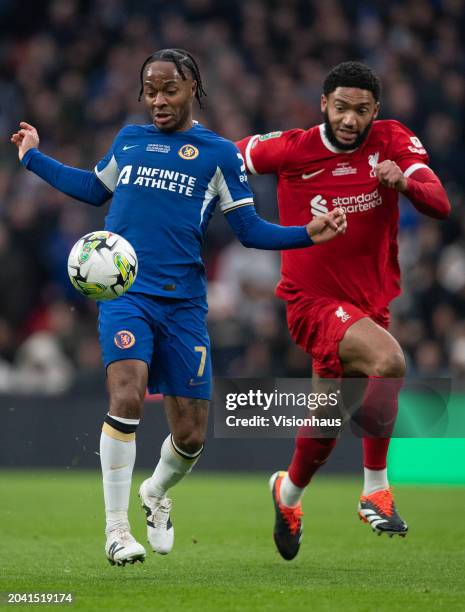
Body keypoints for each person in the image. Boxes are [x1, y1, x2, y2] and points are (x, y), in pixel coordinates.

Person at [11, 48, 346, 566]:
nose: (158, 100)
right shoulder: (130, 139)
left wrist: (308, 233)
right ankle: (117, 530)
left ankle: (155, 493)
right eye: (150, 90)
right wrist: (33, 156)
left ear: (194, 88)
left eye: (169, 89)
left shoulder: (218, 154)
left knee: (189, 435)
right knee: (126, 394)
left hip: (185, 305)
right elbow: (92, 188)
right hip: (127, 295)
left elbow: (249, 230)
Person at [236, 61, 451, 560]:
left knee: (326, 423)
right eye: (340, 107)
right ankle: (375, 488)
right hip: (310, 303)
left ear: (375, 109)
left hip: (366, 306)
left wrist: (403, 183)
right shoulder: (291, 147)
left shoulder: (393, 141)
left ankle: (287, 495)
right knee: (391, 362)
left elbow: (439, 202)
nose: (350, 119)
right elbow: (226, 159)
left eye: (361, 109)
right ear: (323, 106)